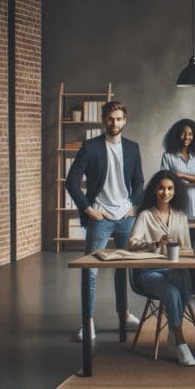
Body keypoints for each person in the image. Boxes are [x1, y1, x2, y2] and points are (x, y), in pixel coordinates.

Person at [66, 100, 143, 341]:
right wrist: (89, 210)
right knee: (90, 270)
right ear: (103, 120)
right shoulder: (90, 147)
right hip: (101, 216)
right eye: (110, 119)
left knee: (123, 268)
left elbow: (139, 181)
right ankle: (87, 322)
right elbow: (71, 180)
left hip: (125, 217)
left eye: (119, 118)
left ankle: (124, 314)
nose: (115, 123)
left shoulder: (132, 147)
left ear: (125, 120)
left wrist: (133, 206)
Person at [127, 170, 195, 366]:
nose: (166, 193)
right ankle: (180, 340)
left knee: (182, 277)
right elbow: (131, 243)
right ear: (154, 190)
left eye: (170, 188)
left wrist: (182, 250)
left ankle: (173, 331)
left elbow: (187, 247)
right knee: (172, 292)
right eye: (161, 188)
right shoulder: (146, 216)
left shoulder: (180, 216)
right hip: (149, 272)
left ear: (175, 191)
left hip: (174, 269)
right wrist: (155, 244)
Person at [159, 119, 195, 301]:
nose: (187, 137)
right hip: (176, 205)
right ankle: (191, 285)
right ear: (177, 135)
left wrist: (181, 175)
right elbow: (165, 180)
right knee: (182, 245)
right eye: (183, 133)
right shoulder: (168, 156)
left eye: (190, 134)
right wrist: (192, 178)